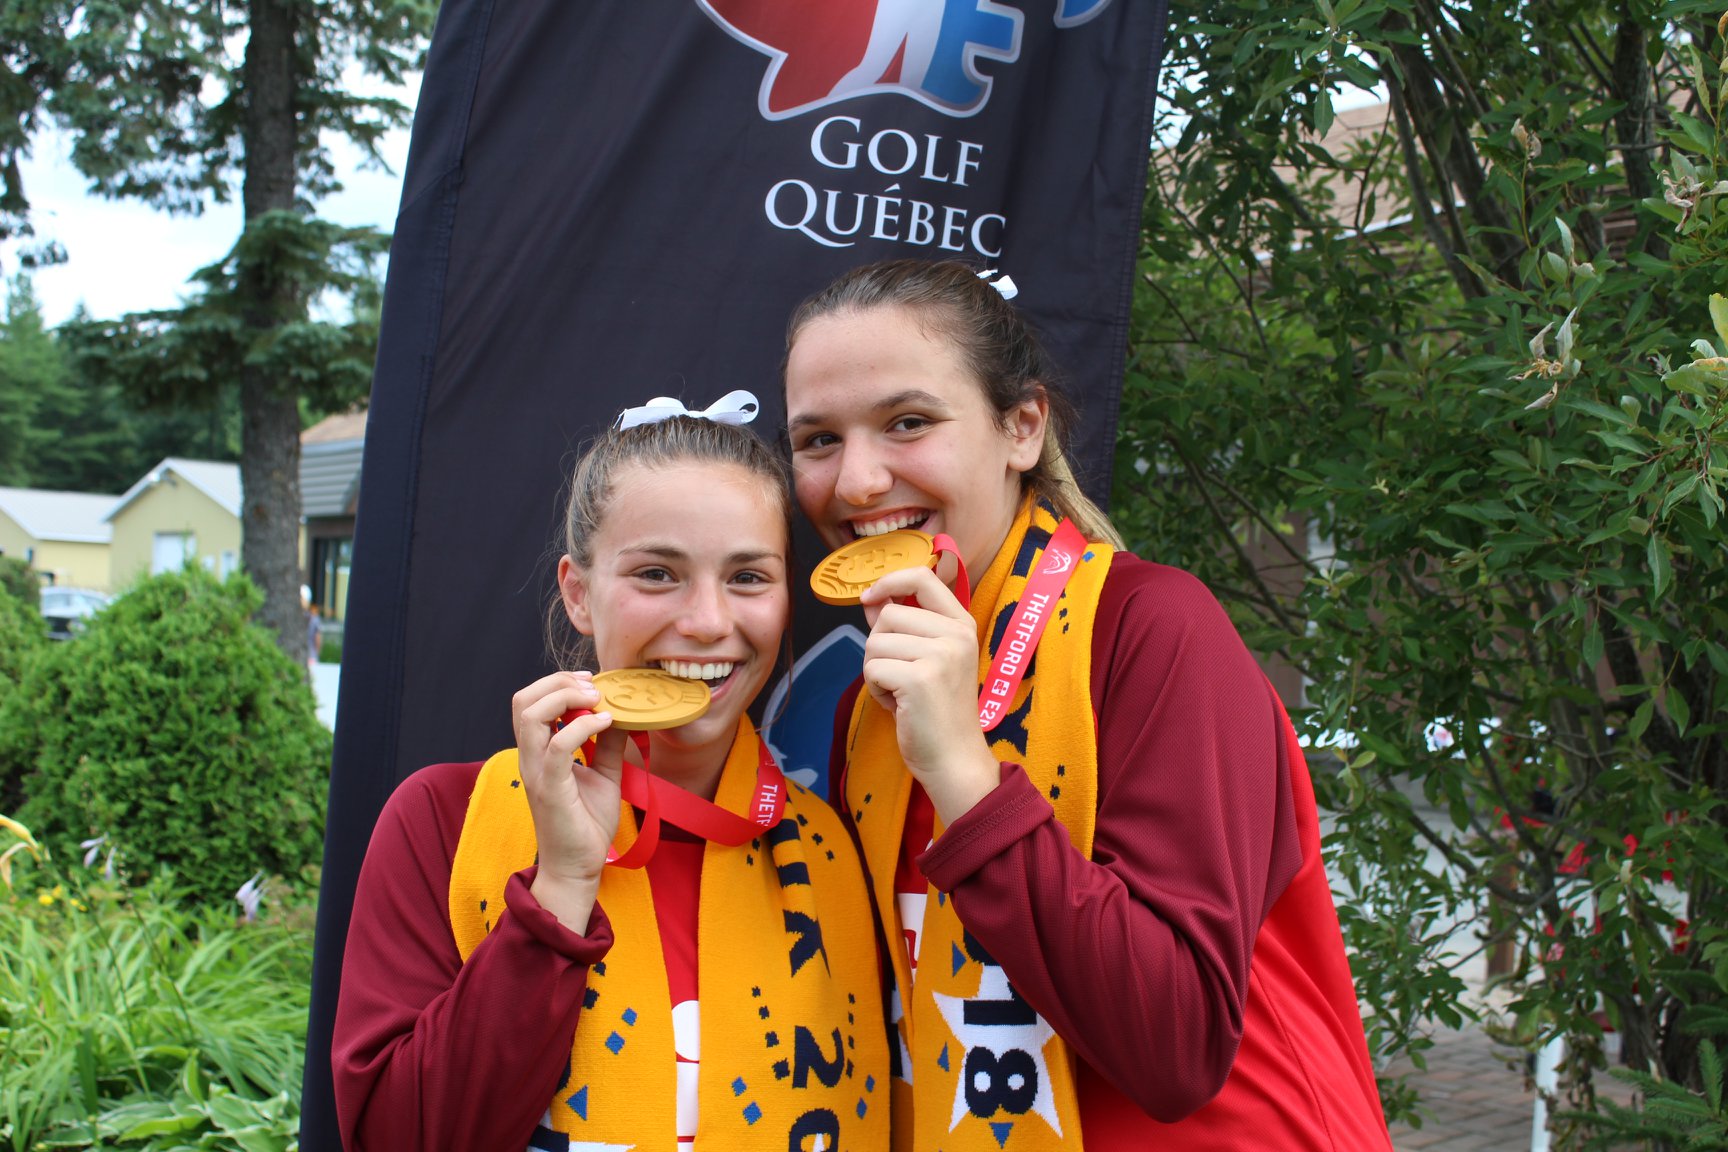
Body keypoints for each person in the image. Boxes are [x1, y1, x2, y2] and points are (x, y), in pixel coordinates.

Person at [782, 259, 1392, 1150]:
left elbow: (1175, 1049)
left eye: (908, 423)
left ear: (1022, 427)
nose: (859, 482)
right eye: (818, 440)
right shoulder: (868, 705)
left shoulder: (1152, 630)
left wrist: (967, 778)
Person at [332, 398, 890, 1151]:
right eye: (658, 573)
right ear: (577, 593)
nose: (706, 621)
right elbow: (398, 1139)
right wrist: (560, 888)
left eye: (749, 578)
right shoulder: (442, 818)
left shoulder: (833, 848)